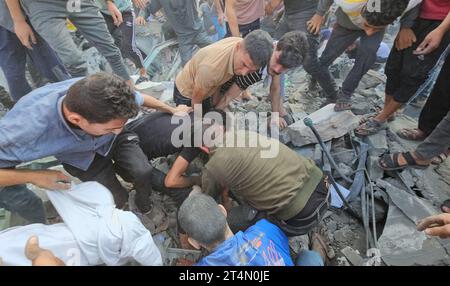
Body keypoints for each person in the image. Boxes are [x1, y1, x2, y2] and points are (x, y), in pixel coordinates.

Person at [0, 72, 191, 222]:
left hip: (110, 142)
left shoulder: (103, 92)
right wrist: (34, 177)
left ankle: (143, 202)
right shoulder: (25, 129)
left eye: (121, 124)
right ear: (77, 120)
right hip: (81, 158)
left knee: (143, 171)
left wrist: (172, 109)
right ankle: (124, 205)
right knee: (114, 196)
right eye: (112, 127)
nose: (118, 129)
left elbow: (138, 98)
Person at [199, 128, 330, 237]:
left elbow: (206, 200)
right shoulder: (242, 133)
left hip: (300, 216)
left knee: (230, 222)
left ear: (204, 148)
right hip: (323, 186)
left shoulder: (215, 165)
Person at [355, 2, 450, 136]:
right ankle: (387, 113)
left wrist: (441, 30)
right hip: (414, 17)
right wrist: (405, 26)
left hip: (440, 24)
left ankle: (381, 118)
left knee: (414, 74)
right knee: (393, 67)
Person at [308, 0, 421, 111]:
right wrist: (319, 14)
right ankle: (326, 90)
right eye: (367, 25)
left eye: (376, 27)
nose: (369, 32)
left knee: (367, 58)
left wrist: (406, 27)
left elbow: (414, 5)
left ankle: (345, 95)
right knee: (326, 58)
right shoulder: (350, 3)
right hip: (347, 23)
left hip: (375, 17)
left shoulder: (407, 2)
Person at [178, 192, 324, 266]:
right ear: (223, 211)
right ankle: (318, 248)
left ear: (194, 243)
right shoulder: (266, 229)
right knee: (309, 257)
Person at [5, 0, 132, 83]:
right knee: (73, 61)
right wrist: (18, 20)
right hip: (42, 6)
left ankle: (131, 91)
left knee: (111, 50)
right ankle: (91, 101)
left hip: (76, 2)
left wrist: (109, 2)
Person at [216, 31, 309, 129]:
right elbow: (229, 95)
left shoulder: (277, 57)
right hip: (213, 81)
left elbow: (275, 88)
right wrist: (215, 113)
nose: (277, 69)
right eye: (278, 61)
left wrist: (274, 116)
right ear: (275, 46)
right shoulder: (254, 64)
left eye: (284, 67)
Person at [173, 29, 273, 112]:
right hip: (187, 93)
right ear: (238, 47)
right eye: (244, 64)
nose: (243, 73)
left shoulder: (243, 46)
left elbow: (219, 80)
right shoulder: (211, 69)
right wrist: (200, 123)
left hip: (206, 86)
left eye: (251, 71)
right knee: (190, 130)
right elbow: (196, 99)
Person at [265, 0, 339, 101]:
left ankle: (333, 95)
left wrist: (319, 14)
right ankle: (276, 94)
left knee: (309, 62)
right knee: (275, 51)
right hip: (289, 14)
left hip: (308, 15)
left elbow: (271, 7)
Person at [0, 1, 71, 102]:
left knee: (49, 66)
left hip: (22, 14)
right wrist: (19, 20)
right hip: (19, 17)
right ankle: (70, 96)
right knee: (16, 75)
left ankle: (69, 96)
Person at [137, 0, 212, 66]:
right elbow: (148, 7)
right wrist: (141, 16)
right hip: (184, 38)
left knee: (216, 51)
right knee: (186, 67)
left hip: (198, 32)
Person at [96, 0, 150, 84]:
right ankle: (117, 75)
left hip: (124, 11)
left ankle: (144, 73)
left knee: (128, 46)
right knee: (109, 46)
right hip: (104, 13)